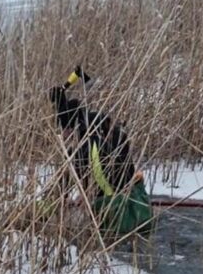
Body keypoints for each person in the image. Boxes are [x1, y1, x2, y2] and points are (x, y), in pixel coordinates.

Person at [48, 67, 154, 240]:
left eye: (64, 128)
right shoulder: (101, 129)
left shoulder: (87, 143)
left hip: (119, 210)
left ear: (72, 125)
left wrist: (87, 198)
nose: (63, 134)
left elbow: (99, 177)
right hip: (127, 197)